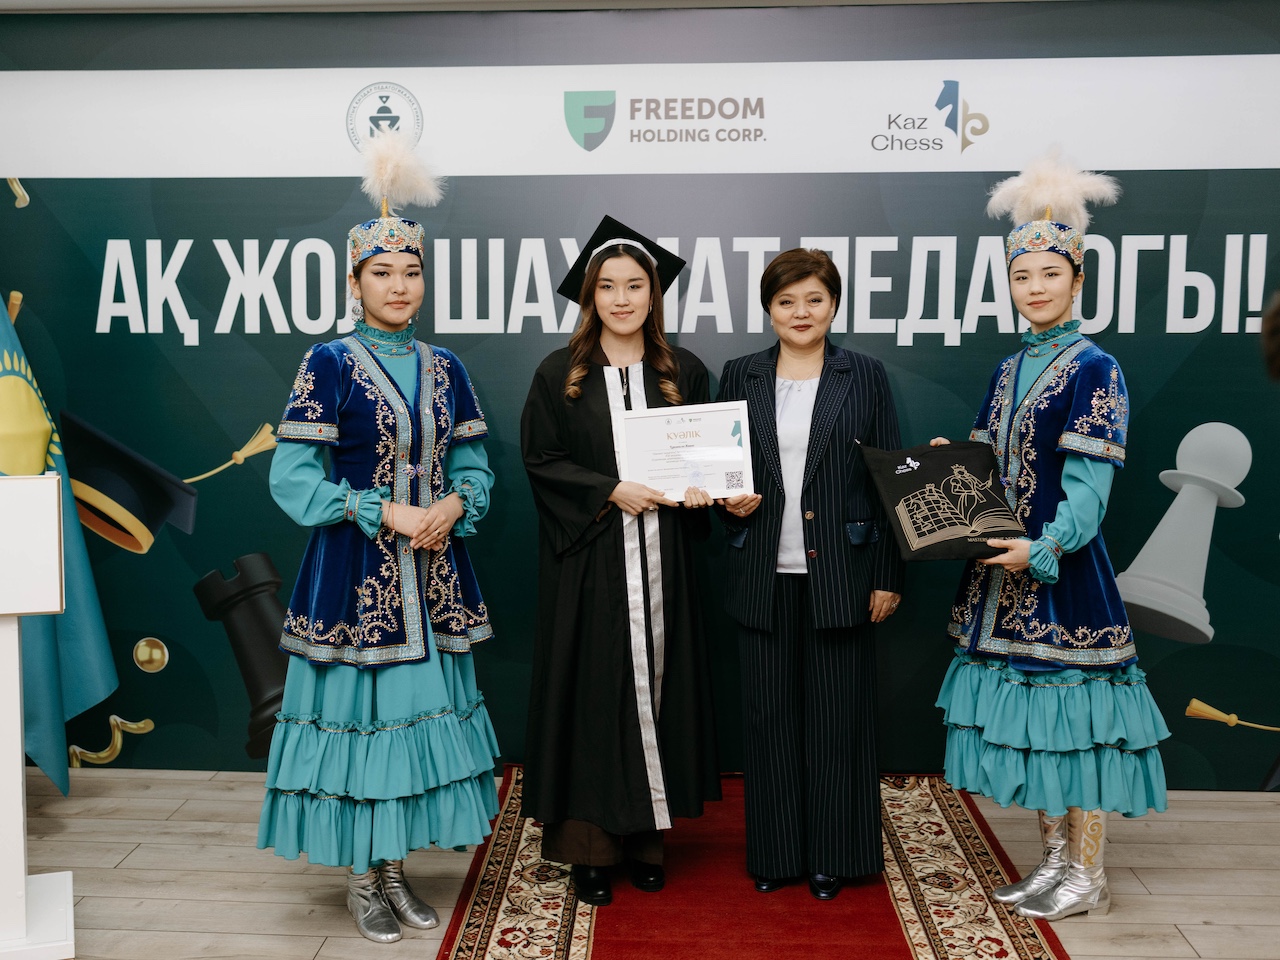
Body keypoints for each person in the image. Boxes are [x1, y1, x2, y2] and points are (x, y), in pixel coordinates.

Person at [257, 130, 500, 944]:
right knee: (360, 728)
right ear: (355, 282)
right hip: (354, 577)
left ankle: (394, 868)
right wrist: (381, 511)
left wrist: (455, 505)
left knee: (412, 727)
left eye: (411, 271)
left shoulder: (446, 367)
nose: (400, 285)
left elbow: (474, 464)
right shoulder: (327, 361)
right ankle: (361, 879)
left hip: (432, 579)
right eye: (382, 272)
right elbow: (292, 478)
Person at [932, 154, 1169, 921]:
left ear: (1077, 279)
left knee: (1079, 733)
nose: (1034, 287)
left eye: (1049, 274)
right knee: (1035, 730)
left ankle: (1088, 874)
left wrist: (1043, 549)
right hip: (1001, 578)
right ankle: (1054, 865)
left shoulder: (1097, 368)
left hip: (1063, 578)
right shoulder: (1008, 370)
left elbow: (1090, 494)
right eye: (1021, 276)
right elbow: (987, 468)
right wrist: (946, 469)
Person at [520, 216, 720, 907]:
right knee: (592, 694)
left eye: (635, 285)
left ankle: (646, 842)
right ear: (590, 296)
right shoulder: (561, 373)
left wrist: (705, 491)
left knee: (658, 692)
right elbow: (541, 459)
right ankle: (590, 850)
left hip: (664, 563)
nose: (622, 298)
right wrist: (609, 489)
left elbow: (705, 462)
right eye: (607, 286)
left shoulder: (682, 370)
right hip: (591, 563)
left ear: (653, 294)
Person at [716, 247, 905, 901]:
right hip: (761, 571)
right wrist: (726, 501)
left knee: (837, 721)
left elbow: (889, 480)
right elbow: (716, 470)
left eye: (814, 299)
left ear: (834, 304)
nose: (801, 312)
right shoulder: (739, 374)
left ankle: (835, 855)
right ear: (768, 308)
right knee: (768, 720)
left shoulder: (866, 375)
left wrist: (887, 574)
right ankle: (775, 853)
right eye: (786, 301)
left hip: (844, 572)